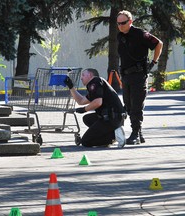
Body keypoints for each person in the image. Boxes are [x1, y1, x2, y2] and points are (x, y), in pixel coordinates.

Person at [117, 10, 163, 144]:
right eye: (118, 23)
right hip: (126, 76)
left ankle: (135, 134)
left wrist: (153, 62)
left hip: (138, 75)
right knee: (129, 105)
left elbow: (159, 44)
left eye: (123, 23)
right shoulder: (120, 36)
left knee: (136, 105)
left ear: (130, 22)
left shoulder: (140, 34)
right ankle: (139, 134)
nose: (120, 26)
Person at [64, 68, 126, 148]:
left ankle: (114, 135)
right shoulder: (98, 84)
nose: (81, 78)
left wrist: (84, 109)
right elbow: (81, 101)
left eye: (83, 75)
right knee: (87, 118)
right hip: (114, 117)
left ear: (90, 75)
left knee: (86, 142)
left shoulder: (95, 82)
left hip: (112, 118)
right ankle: (112, 134)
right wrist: (71, 87)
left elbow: (98, 102)